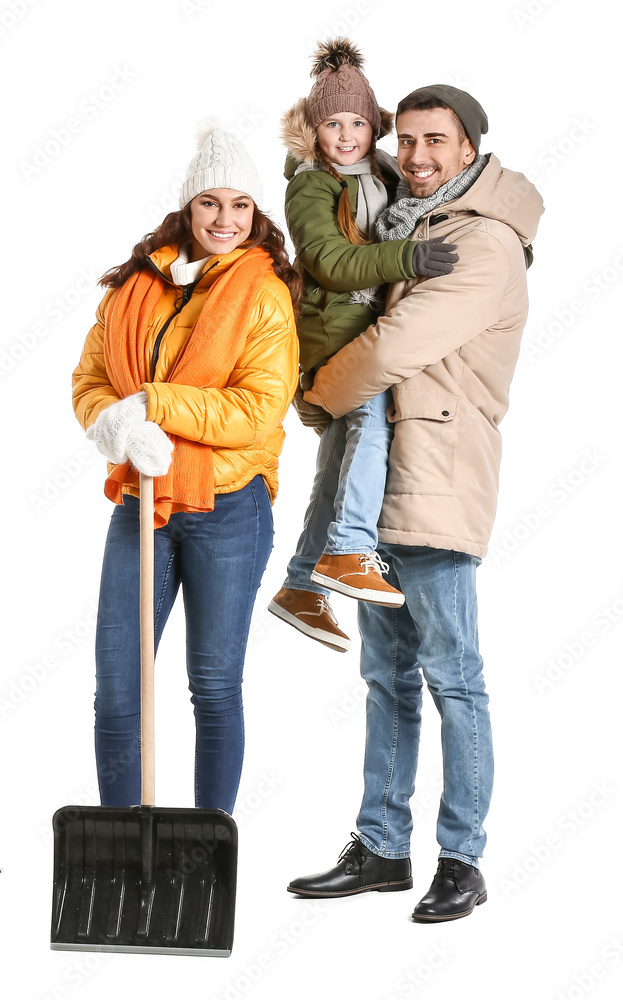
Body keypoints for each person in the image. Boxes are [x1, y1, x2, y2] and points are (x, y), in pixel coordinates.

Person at [287, 85, 544, 921]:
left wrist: (318, 392)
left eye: (435, 140)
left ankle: (460, 861)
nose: (418, 155)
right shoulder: (412, 220)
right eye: (408, 140)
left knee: (452, 680)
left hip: (435, 478)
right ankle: (380, 847)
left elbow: (395, 343)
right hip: (382, 475)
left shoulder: (484, 244)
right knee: (383, 678)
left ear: (470, 147)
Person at [72, 124, 300, 815]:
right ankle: (118, 838)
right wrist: (114, 423)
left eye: (239, 205)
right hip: (139, 499)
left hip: (226, 509)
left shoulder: (264, 296)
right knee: (118, 684)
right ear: (187, 206)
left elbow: (256, 411)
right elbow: (88, 380)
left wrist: (154, 405)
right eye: (210, 204)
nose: (224, 220)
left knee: (212, 683)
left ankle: (206, 842)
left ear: (256, 213)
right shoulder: (136, 286)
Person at [268, 39, 457, 652]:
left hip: (367, 328)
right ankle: (349, 549)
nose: (345, 135)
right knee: (371, 428)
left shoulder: (380, 171)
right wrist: (406, 258)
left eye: (356, 121)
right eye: (331, 123)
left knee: (337, 466)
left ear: (371, 123)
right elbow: (327, 260)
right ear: (314, 129)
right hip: (332, 336)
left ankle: (301, 586)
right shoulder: (312, 186)